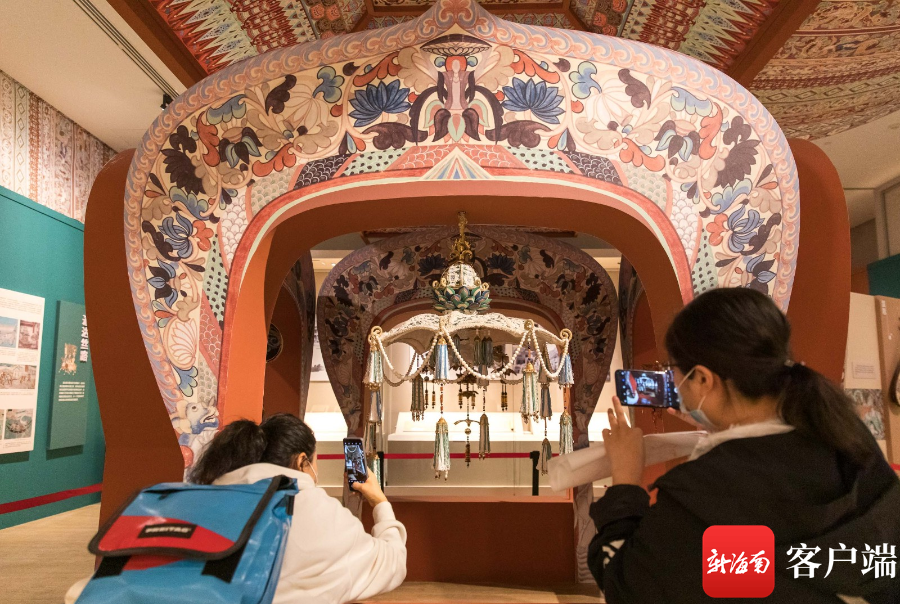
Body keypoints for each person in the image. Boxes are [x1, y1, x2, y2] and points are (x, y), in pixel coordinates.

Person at [590, 288, 900, 603]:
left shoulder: (703, 490)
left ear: (703, 379)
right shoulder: (844, 435)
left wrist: (625, 480)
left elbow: (627, 586)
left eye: (674, 371)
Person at [66, 413, 406, 604]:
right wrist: (379, 502)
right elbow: (390, 563)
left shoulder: (198, 497)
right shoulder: (314, 509)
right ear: (302, 461)